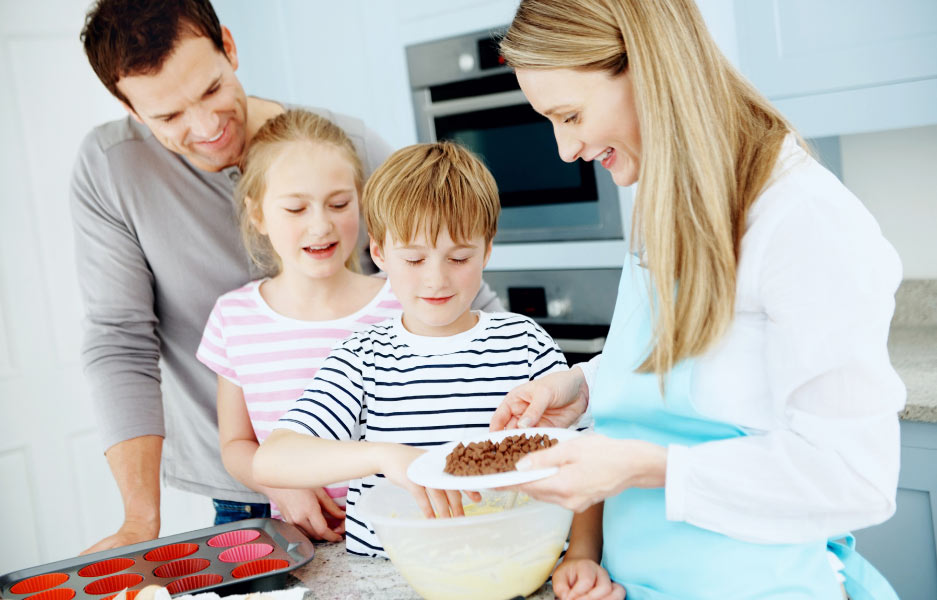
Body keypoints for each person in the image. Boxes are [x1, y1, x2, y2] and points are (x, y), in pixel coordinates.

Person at [488, 1, 906, 599]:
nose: (566, 150)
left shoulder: (802, 219)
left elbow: (853, 476)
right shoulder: (668, 196)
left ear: (648, 69)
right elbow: (707, 355)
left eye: (571, 115)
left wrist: (641, 465)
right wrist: (581, 386)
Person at [71, 0, 502, 554]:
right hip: (250, 498)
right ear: (126, 105)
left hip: (394, 488)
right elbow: (118, 340)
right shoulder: (111, 168)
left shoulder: (341, 145)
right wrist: (139, 521)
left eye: (210, 90)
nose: (204, 128)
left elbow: (463, 300)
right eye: (168, 117)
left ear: (228, 45)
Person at [253, 141, 569, 557]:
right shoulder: (362, 358)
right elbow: (271, 461)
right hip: (393, 572)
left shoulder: (525, 344)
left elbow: (581, 464)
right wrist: (385, 456)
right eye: (415, 260)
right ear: (379, 253)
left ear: (487, 250)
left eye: (458, 258)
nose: (436, 280)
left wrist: (581, 556)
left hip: (517, 558)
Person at [195, 109, 398, 541]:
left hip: (399, 532)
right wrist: (280, 482)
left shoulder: (403, 300)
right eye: (295, 208)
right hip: (295, 541)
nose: (320, 225)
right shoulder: (235, 318)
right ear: (258, 215)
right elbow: (236, 445)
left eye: (339, 203)